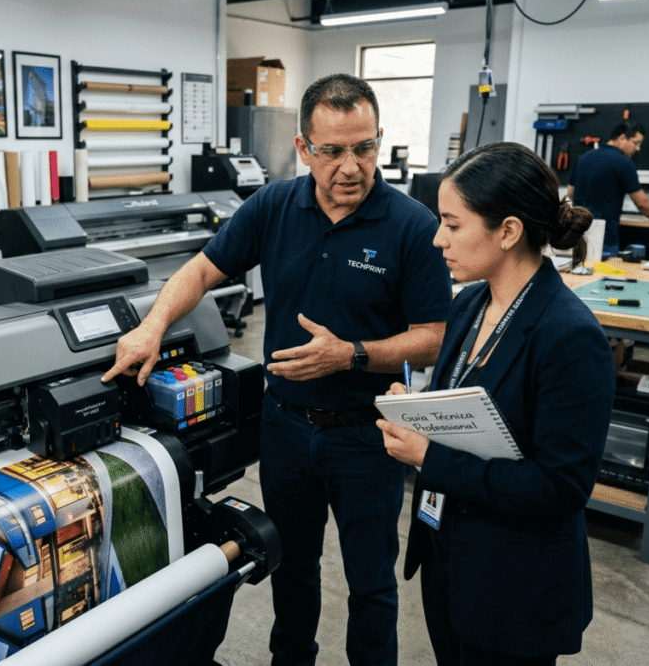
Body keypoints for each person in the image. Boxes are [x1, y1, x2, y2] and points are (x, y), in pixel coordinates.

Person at [101, 73, 452, 666]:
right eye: (332, 150)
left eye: (364, 147)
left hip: (368, 436)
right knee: (292, 566)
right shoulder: (273, 205)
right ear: (303, 148)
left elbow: (434, 340)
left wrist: (353, 353)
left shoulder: (413, 226)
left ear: (380, 141)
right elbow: (202, 271)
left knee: (371, 584)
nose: (350, 166)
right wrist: (152, 325)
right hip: (285, 428)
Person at [377, 141, 616, 666]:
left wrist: (427, 456)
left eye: (453, 225)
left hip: (514, 586)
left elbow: (561, 486)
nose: (438, 239)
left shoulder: (569, 338)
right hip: (451, 558)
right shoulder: (469, 304)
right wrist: (420, 409)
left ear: (508, 231)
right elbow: (476, 401)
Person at [566, 120, 649, 257]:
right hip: (605, 237)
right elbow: (642, 203)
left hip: (578, 233)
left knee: (579, 272)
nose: (638, 148)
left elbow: (570, 194)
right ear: (622, 138)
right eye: (636, 143)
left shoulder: (583, 158)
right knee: (602, 275)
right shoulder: (624, 163)